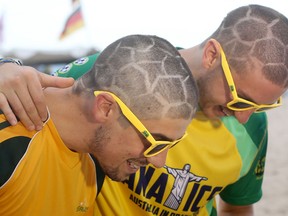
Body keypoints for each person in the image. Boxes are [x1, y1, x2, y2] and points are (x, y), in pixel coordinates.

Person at [0, 4, 287, 216]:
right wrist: (5, 67)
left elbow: (238, 207)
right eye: (241, 99)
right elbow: (47, 101)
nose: (245, 115)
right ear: (212, 55)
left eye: (264, 106)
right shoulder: (125, 70)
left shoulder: (252, 129)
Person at [0, 34, 199, 216]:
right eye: (157, 143)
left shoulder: (95, 161)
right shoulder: (10, 139)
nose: (159, 162)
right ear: (105, 108)